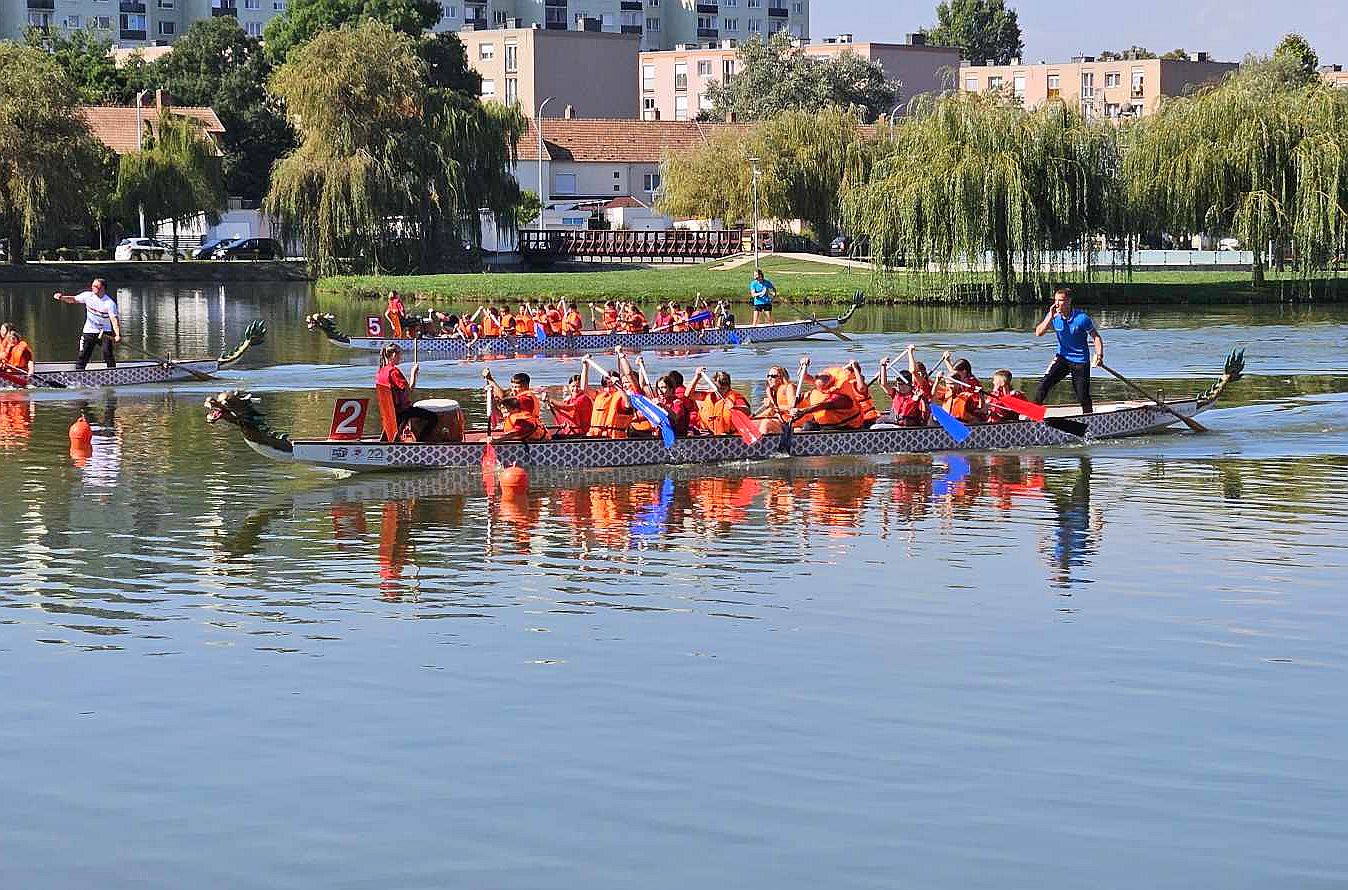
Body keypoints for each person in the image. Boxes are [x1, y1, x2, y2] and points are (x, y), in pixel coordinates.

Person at [1032, 286, 1103, 414]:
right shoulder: (1054, 316)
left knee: (1082, 395)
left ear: (1069, 301)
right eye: (1055, 300)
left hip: (1080, 361)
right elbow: (1038, 333)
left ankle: (1089, 418)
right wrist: (1050, 316)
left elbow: (1096, 337)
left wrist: (1099, 355)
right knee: (1043, 385)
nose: (1057, 304)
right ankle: (1031, 414)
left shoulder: (1081, 318)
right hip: (1062, 358)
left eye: (1061, 300)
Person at [54, 278, 121, 370]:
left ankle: (113, 373)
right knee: (83, 355)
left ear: (103, 288)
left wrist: (117, 334)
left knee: (107, 353)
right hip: (89, 330)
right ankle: (79, 373)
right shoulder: (87, 296)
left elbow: (114, 320)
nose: (93, 288)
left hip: (105, 332)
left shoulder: (109, 303)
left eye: (96, 286)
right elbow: (73, 300)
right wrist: (62, 298)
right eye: (92, 285)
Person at [374, 343, 436, 441]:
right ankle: (421, 443)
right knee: (433, 417)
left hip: (390, 411)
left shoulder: (381, 371)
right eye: (400, 355)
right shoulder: (393, 372)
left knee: (410, 413)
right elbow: (409, 389)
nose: (401, 357)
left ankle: (388, 439)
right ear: (394, 355)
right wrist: (413, 373)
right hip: (401, 411)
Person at [791, 359, 865, 431]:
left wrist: (803, 411)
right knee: (808, 425)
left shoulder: (840, 397)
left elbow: (824, 405)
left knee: (808, 426)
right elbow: (804, 376)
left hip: (846, 426)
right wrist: (803, 366)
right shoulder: (823, 384)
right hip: (827, 424)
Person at [580, 354, 634, 438]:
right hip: (595, 436)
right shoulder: (599, 395)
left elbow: (628, 404)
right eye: (605, 385)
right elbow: (584, 388)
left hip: (613, 439)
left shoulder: (621, 397)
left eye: (611, 385)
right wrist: (585, 366)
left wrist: (618, 386)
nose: (608, 389)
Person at [689, 369, 751, 436]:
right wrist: (697, 377)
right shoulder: (707, 395)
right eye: (719, 388)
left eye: (724, 388)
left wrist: (735, 407)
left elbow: (747, 411)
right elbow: (689, 395)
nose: (721, 392)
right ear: (714, 386)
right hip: (708, 433)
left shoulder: (735, 397)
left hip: (728, 435)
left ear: (729, 386)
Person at [878, 359, 930, 427]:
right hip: (895, 424)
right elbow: (883, 384)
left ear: (909, 384)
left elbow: (923, 415)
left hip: (910, 428)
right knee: (876, 424)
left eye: (902, 384)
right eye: (898, 384)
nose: (899, 386)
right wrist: (883, 366)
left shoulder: (916, 395)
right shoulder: (895, 393)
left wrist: (917, 399)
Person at [753, 364, 798, 434]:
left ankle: (760, 444)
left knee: (766, 422)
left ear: (781, 378)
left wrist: (773, 406)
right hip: (778, 420)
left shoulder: (789, 387)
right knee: (752, 423)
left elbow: (792, 407)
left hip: (788, 423)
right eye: (768, 376)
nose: (769, 378)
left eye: (773, 376)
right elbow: (770, 411)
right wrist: (753, 418)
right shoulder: (773, 392)